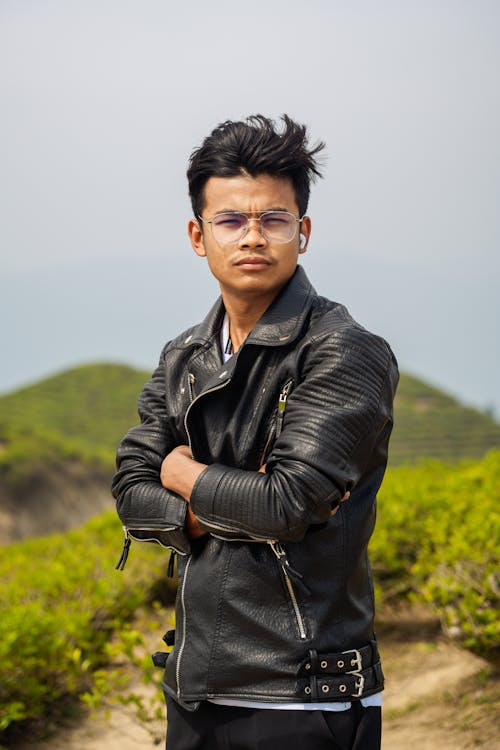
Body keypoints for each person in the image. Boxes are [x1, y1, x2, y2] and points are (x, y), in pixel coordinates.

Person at [112, 114, 399, 750]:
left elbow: (287, 503)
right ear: (198, 234)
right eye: (231, 221)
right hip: (195, 683)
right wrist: (209, 502)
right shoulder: (185, 355)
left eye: (272, 220)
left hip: (302, 692)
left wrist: (182, 474)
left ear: (303, 232)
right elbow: (130, 488)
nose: (253, 237)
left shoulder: (343, 352)